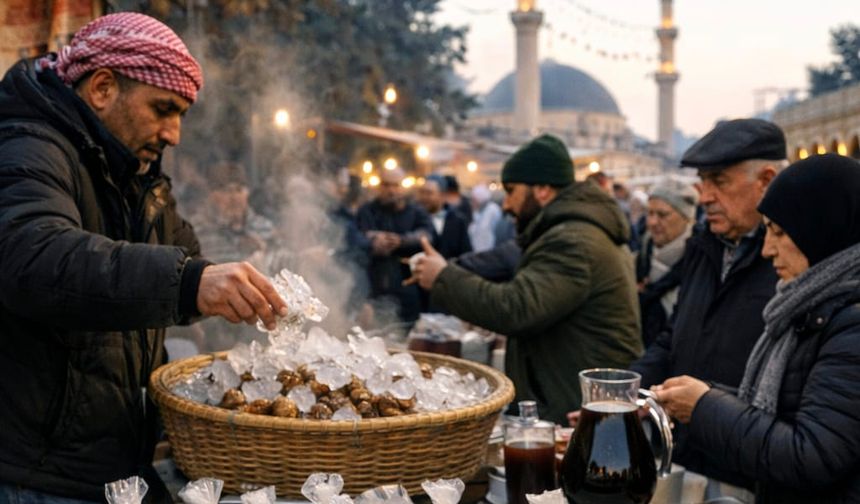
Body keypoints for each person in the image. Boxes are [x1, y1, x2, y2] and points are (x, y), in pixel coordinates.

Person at [0, 13, 288, 502]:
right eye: (162, 108)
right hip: (36, 474)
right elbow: (33, 257)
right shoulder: (28, 145)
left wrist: (249, 307)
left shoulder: (139, 176)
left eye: (180, 115)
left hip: (114, 461)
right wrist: (190, 283)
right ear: (103, 88)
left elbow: (190, 266)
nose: (173, 133)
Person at [653, 153, 860, 503]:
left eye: (778, 232)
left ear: (822, 231)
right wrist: (706, 393)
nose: (767, 249)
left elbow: (809, 455)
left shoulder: (850, 323)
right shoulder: (811, 306)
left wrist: (703, 406)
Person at [411, 134, 642, 424]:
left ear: (543, 190)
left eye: (511, 191)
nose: (506, 204)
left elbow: (516, 308)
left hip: (577, 412)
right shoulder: (568, 232)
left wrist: (443, 276)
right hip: (575, 403)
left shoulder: (573, 241)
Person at [626, 118, 787, 493]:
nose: (705, 197)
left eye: (720, 182)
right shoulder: (706, 245)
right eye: (703, 183)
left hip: (744, 470)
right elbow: (676, 335)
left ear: (765, 180)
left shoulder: (791, 258)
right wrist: (628, 392)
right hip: (684, 454)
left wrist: (708, 405)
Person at [356, 167, 433, 323]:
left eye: (395, 185)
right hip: (373, 288)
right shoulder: (367, 211)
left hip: (406, 289)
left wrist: (402, 241)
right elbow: (354, 239)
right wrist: (372, 241)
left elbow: (427, 235)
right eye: (386, 185)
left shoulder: (416, 212)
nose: (391, 190)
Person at [635, 178, 699, 347]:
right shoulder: (640, 257)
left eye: (662, 215)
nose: (652, 222)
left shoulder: (701, 261)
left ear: (686, 218)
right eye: (649, 213)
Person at [416, 174, 472, 259]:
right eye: (422, 192)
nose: (424, 197)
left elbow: (466, 253)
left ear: (443, 195)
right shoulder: (414, 218)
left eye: (429, 193)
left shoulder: (458, 220)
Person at [468, 183, 503, 252]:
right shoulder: (477, 212)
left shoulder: (493, 210)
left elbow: (488, 233)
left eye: (474, 200)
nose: (472, 203)